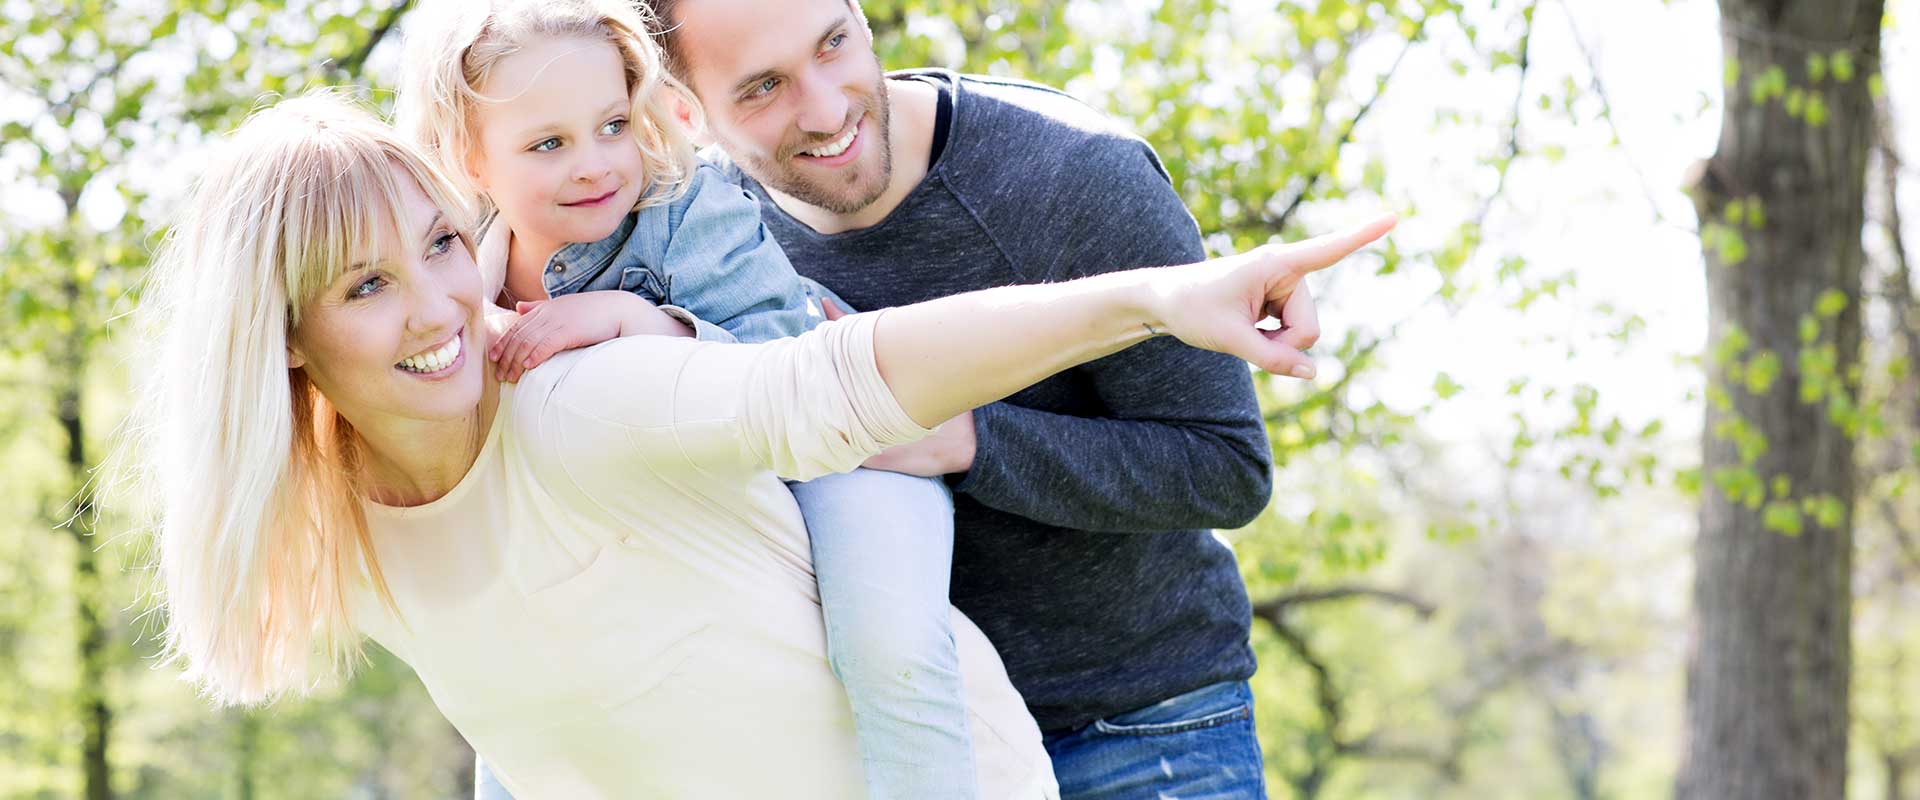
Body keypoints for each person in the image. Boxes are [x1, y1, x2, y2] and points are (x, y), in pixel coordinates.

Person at [121, 89, 1389, 799]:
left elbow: (841, 377)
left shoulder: (572, 406)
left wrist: (1149, 299)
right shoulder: (333, 528)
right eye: (365, 287)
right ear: (284, 339)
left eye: (443, 246)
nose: (442, 304)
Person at [643, 0, 1311, 795]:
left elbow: (1226, 468)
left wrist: (965, 439)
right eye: (763, 88)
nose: (824, 110)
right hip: (883, 751)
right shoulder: (694, 234)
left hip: (1139, 723)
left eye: (833, 45)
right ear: (686, 111)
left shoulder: (1075, 174)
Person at [393, 2, 978, 795]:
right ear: (470, 159)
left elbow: (790, 372)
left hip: (847, 459)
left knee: (891, 651)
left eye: (610, 125)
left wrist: (643, 323)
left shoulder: (684, 208)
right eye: (547, 144)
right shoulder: (465, 277)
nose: (597, 164)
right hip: (677, 510)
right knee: (522, 693)